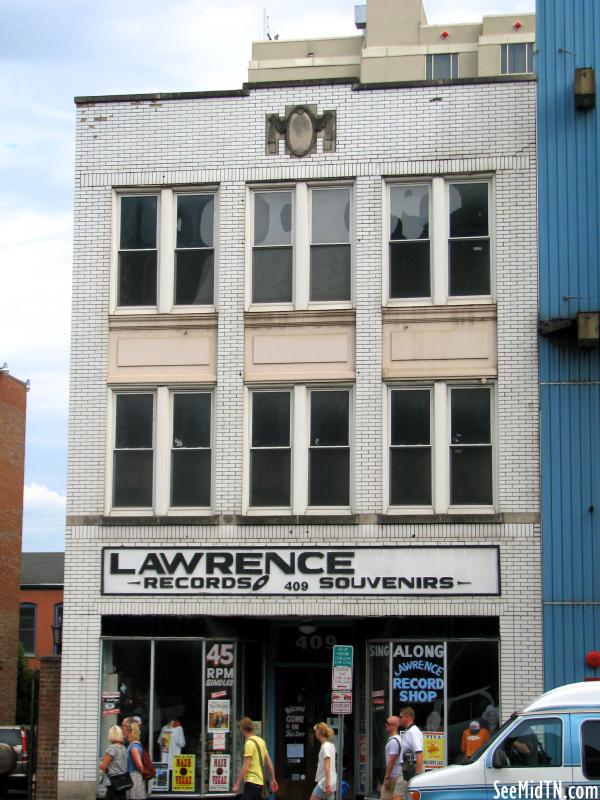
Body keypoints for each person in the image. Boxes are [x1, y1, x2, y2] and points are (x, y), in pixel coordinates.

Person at [232, 717, 279, 800]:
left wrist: (237, 784)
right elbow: (269, 762)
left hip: (251, 783)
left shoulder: (249, 743)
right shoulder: (261, 741)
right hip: (260, 784)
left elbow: (245, 766)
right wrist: (273, 778)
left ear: (242, 729)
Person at [396, 707, 423, 799]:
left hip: (411, 767)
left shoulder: (413, 732)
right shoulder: (409, 731)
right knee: (408, 797)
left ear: (407, 717)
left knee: (397, 796)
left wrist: (419, 774)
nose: (399, 719)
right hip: (407, 768)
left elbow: (419, 753)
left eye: (401, 717)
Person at [99, 725, 128, 799]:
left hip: (113, 781)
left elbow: (103, 766)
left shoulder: (112, 748)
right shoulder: (123, 747)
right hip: (123, 780)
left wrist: (101, 764)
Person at [310, 722, 337, 800]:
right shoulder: (331, 745)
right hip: (331, 782)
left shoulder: (325, 747)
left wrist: (327, 785)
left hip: (325, 783)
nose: (315, 733)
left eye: (316, 731)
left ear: (319, 732)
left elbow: (327, 766)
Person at [121, 719, 147, 799]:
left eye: (124, 730)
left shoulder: (133, 747)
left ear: (130, 732)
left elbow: (139, 766)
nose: (122, 732)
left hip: (134, 778)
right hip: (134, 777)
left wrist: (140, 774)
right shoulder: (132, 745)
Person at [380, 716, 402, 800]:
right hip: (395, 775)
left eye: (388, 723)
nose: (386, 725)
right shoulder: (397, 739)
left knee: (385, 797)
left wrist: (387, 778)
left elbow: (391, 761)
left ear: (395, 726)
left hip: (393, 777)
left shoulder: (393, 741)